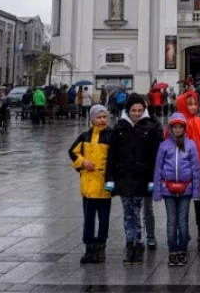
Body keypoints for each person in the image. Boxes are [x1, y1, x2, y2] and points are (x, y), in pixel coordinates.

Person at [105, 94, 162, 266]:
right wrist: (110, 178)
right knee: (127, 213)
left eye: (139, 110)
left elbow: (154, 157)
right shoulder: (119, 128)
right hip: (123, 177)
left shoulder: (149, 128)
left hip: (141, 177)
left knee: (137, 211)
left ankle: (139, 244)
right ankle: (129, 244)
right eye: (133, 111)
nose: (136, 114)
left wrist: (153, 179)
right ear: (127, 111)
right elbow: (112, 155)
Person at [154, 113, 200, 267]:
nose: (177, 130)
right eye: (174, 127)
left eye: (180, 127)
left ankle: (182, 249)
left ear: (184, 128)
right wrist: (157, 191)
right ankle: (172, 250)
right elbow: (158, 168)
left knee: (182, 221)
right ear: (170, 128)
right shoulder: (164, 145)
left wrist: (197, 192)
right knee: (171, 221)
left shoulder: (190, 145)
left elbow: (196, 169)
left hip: (186, 189)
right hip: (168, 189)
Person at [69, 104, 112, 265]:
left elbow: (114, 158)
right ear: (92, 119)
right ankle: (89, 246)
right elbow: (73, 152)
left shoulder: (110, 136)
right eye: (98, 117)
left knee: (104, 219)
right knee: (88, 219)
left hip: (103, 184)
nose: (102, 120)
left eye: (104, 117)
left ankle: (101, 246)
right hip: (88, 186)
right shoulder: (84, 136)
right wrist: (82, 162)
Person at [176, 90, 200, 252]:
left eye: (195, 104)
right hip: (183, 171)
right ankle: (182, 233)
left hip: (199, 169)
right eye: (189, 104)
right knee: (181, 203)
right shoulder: (178, 123)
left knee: (199, 202)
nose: (192, 107)